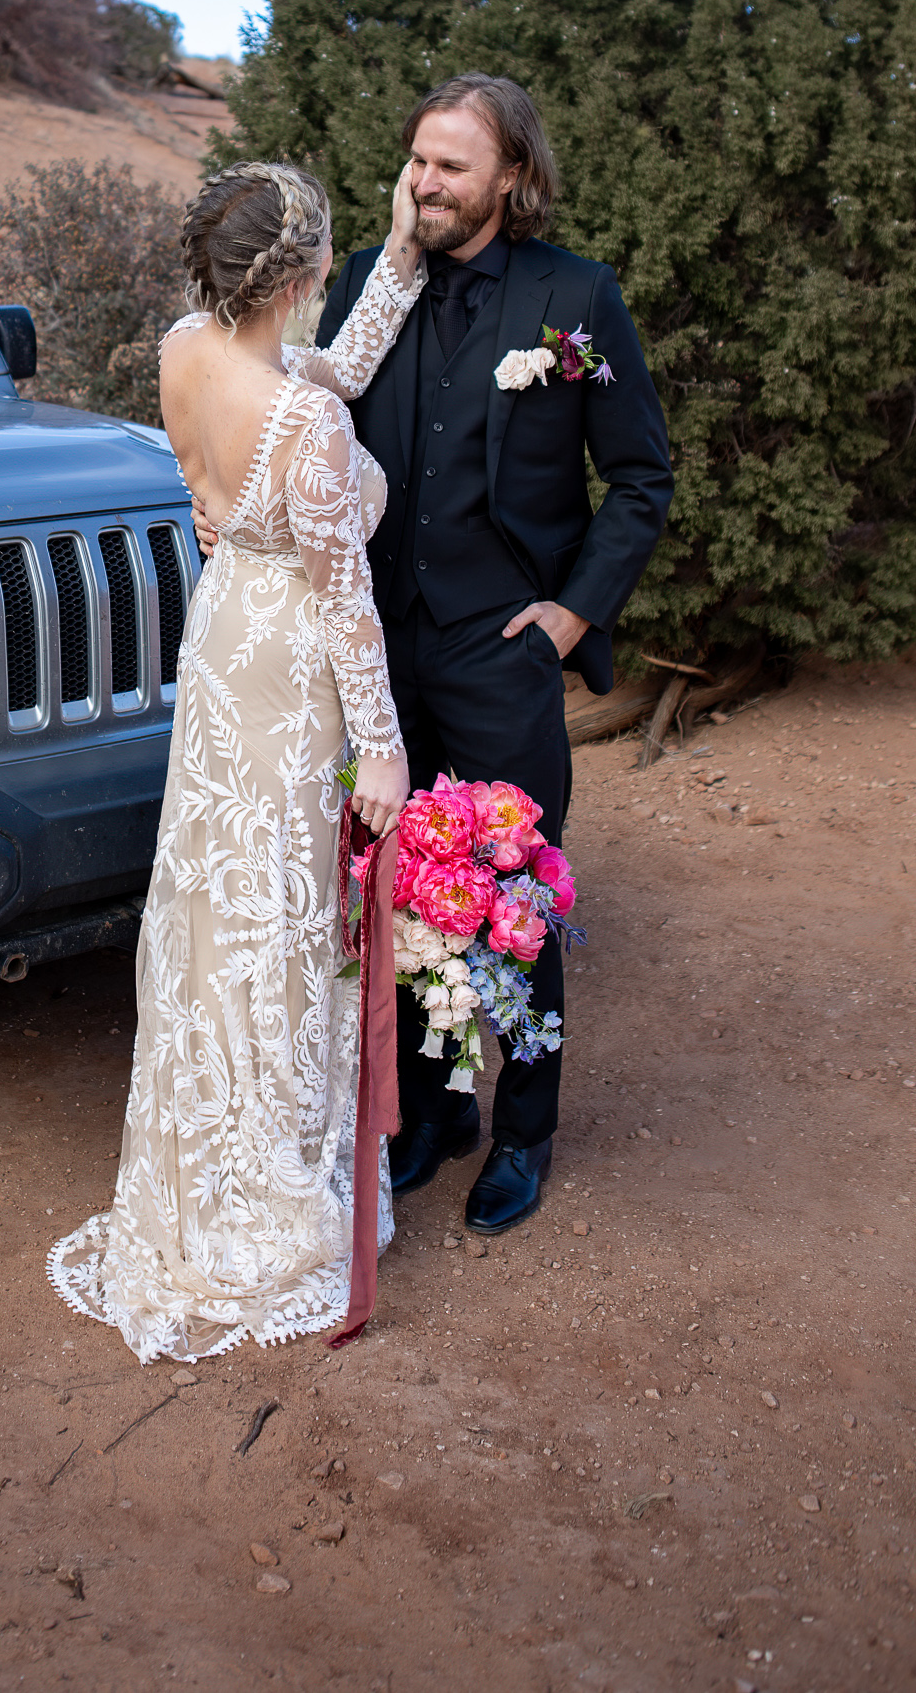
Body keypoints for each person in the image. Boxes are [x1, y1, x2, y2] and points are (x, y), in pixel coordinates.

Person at [47, 160, 426, 1363]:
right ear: (302, 277)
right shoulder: (304, 423)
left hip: (218, 634)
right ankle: (259, 1190)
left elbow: (294, 401)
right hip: (288, 663)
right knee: (276, 903)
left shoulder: (181, 349)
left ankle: (206, 1156)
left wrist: (399, 262)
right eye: (331, 274)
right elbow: (346, 601)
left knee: (223, 896)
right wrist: (383, 748)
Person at [314, 74, 673, 1234]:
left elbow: (640, 478)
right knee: (403, 891)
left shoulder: (575, 297)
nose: (423, 182)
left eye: (449, 166)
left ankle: (519, 1128)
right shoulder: (375, 292)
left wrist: (568, 616)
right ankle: (429, 1112)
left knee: (512, 896)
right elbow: (311, 424)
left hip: (496, 647)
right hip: (383, 658)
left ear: (508, 177)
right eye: (417, 159)